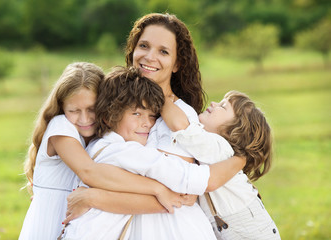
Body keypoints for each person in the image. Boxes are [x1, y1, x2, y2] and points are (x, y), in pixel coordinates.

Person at [64, 13, 245, 239]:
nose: (149, 57)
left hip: (173, 229)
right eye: (144, 46)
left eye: (163, 51)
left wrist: (92, 198)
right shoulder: (115, 101)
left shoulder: (181, 119)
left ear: (177, 63)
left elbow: (177, 194)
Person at [19, 62, 185, 240]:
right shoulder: (61, 127)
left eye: (92, 109)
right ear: (62, 107)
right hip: (48, 227)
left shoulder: (103, 142)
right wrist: (158, 189)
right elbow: (89, 173)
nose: (84, 119)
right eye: (74, 110)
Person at [61, 66, 218, 239]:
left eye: (152, 116)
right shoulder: (121, 151)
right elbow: (170, 171)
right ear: (108, 117)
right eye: (136, 113)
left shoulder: (97, 146)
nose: (146, 123)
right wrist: (238, 159)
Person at [163, 90, 281, 239]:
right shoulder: (215, 152)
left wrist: (162, 97)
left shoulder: (220, 147)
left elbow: (180, 125)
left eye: (223, 106)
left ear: (231, 131)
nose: (213, 103)